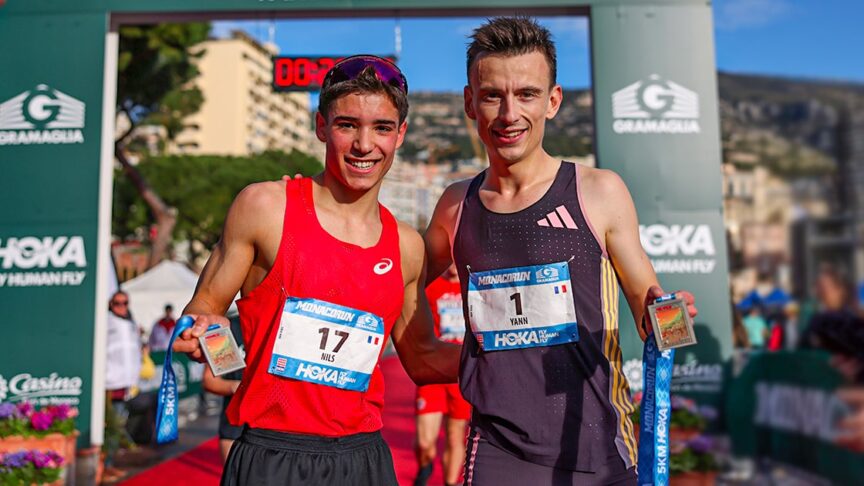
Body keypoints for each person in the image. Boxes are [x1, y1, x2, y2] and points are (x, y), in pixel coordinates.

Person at [422, 17, 697, 485]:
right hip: (497, 450)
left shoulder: (598, 190)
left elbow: (646, 303)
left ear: (553, 101)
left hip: (599, 446)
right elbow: (392, 279)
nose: (510, 114)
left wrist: (670, 319)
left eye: (527, 94)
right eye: (493, 96)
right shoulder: (455, 204)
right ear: (471, 103)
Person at [172, 55, 460, 486]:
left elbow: (422, 359)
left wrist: (517, 355)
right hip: (271, 455)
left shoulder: (406, 245)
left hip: (364, 459)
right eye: (347, 125)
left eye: (382, 127)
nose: (365, 145)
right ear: (321, 127)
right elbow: (206, 308)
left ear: (400, 134)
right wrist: (214, 345)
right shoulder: (265, 207)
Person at [414, 265, 470, 486]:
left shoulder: (471, 285)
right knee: (425, 441)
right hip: (434, 373)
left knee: (456, 436)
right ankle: (424, 466)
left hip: (461, 373)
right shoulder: (431, 284)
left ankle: (449, 483)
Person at [104, 290, 142, 481]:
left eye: (125, 302)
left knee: (117, 425)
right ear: (111, 304)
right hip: (109, 382)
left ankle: (108, 463)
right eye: (117, 303)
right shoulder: (106, 321)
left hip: (124, 383)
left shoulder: (131, 322)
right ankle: (105, 465)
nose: (121, 306)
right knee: (111, 426)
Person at [202, 315, 245, 462]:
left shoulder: (281, 325)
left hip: (272, 430)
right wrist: (236, 387)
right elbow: (210, 380)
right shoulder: (230, 328)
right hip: (234, 426)